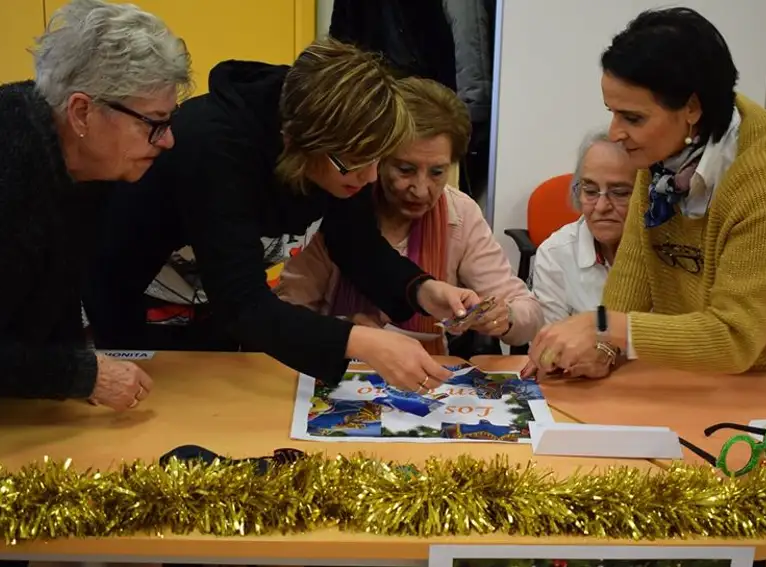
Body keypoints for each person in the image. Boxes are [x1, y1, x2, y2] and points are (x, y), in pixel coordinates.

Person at [526, 7, 766, 380]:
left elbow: (735, 337)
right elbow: (639, 262)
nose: (615, 132)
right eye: (612, 112)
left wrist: (603, 326)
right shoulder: (667, 150)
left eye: (633, 118)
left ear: (691, 107)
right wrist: (605, 349)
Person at [83, 38, 479, 394]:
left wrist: (422, 289)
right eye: (354, 164)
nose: (370, 176)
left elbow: (356, 242)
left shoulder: (344, 146)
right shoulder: (213, 148)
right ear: (296, 143)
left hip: (214, 315)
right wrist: (359, 342)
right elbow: (241, 302)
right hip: (134, 311)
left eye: (379, 159)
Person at [0, 0, 191, 426]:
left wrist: (74, 372)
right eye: (153, 122)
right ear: (81, 112)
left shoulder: (90, 162)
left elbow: (59, 286)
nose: (166, 140)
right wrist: (81, 376)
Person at [276, 77, 542, 354]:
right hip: (336, 368)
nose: (421, 189)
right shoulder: (335, 205)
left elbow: (530, 313)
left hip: (429, 381)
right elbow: (287, 312)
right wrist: (346, 331)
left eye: (438, 172)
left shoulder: (460, 214)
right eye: (405, 169)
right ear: (377, 159)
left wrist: (504, 317)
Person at [532, 130, 637, 325]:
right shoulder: (555, 254)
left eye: (620, 193)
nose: (601, 206)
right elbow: (550, 349)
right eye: (590, 191)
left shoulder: (666, 255)